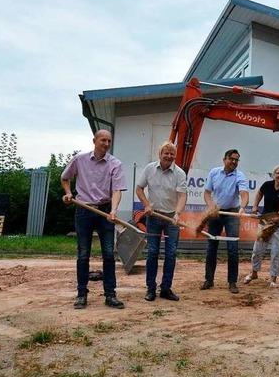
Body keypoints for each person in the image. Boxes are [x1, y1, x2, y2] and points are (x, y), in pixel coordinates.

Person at [61, 129, 127, 309]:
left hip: (105, 212)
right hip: (83, 210)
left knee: (108, 254)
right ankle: (82, 294)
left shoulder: (115, 164)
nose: (106, 144)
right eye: (103, 140)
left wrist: (113, 210)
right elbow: (64, 177)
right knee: (83, 254)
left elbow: (117, 190)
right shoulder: (79, 160)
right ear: (94, 141)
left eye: (109, 141)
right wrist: (68, 194)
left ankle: (110, 295)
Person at [136, 141, 187, 302]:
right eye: (166, 153)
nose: (169, 156)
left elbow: (182, 196)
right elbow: (139, 188)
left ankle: (165, 288)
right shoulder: (150, 169)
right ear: (160, 154)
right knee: (152, 253)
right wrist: (146, 205)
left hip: (171, 218)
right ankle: (151, 289)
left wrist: (178, 213)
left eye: (172, 153)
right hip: (153, 217)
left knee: (171, 254)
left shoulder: (179, 173)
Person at [200, 149, 249, 294]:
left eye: (236, 160)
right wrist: (211, 207)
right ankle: (209, 280)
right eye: (231, 159)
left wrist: (243, 207)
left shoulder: (239, 175)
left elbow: (244, 193)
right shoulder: (214, 172)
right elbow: (207, 193)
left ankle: (232, 282)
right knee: (211, 247)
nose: (234, 162)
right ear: (224, 159)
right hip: (215, 212)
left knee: (232, 248)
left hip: (232, 213)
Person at [244, 165, 279, 287]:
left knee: (276, 253)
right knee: (257, 250)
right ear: (274, 174)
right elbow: (259, 194)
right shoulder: (267, 185)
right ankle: (254, 273)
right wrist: (255, 206)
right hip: (265, 223)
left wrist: (272, 221)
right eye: (278, 173)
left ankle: (273, 279)